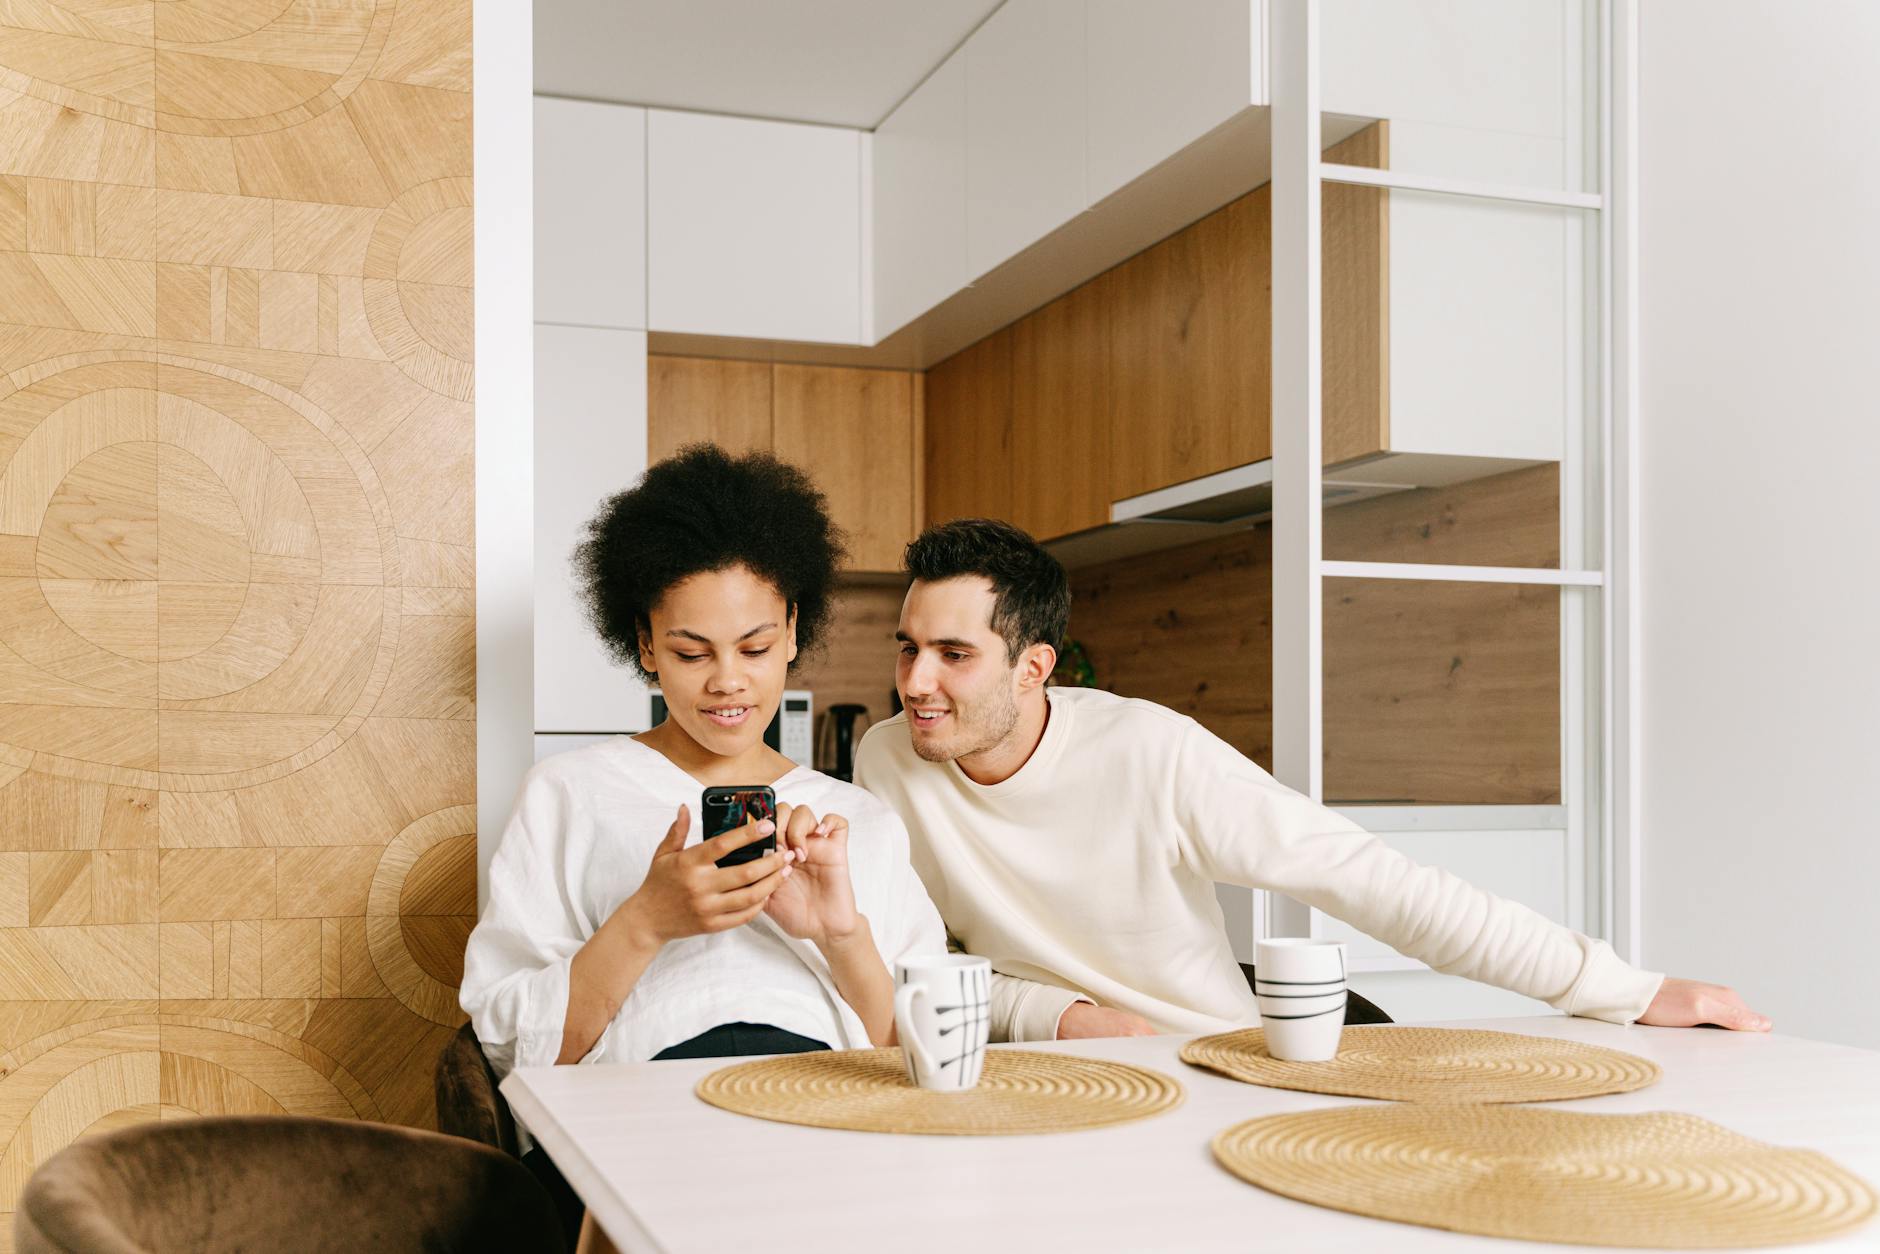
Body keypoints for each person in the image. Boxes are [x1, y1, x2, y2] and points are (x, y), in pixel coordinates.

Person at [854, 519, 1770, 1043]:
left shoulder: (1151, 754)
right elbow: (919, 970)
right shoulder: (886, 761)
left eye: (952, 654)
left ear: (1033, 666)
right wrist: (1069, 1020)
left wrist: (1624, 988)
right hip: (1036, 1076)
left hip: (1209, 1064)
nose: (915, 682)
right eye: (907, 647)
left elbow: (1372, 881)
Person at [461, 446, 944, 1246]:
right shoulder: (571, 793)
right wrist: (646, 921)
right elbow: (514, 1049)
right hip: (642, 1121)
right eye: (691, 652)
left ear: (794, 630)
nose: (727, 681)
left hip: (826, 1121)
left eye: (754, 648)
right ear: (645, 646)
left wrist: (839, 933)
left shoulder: (855, 820)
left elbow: (922, 1058)